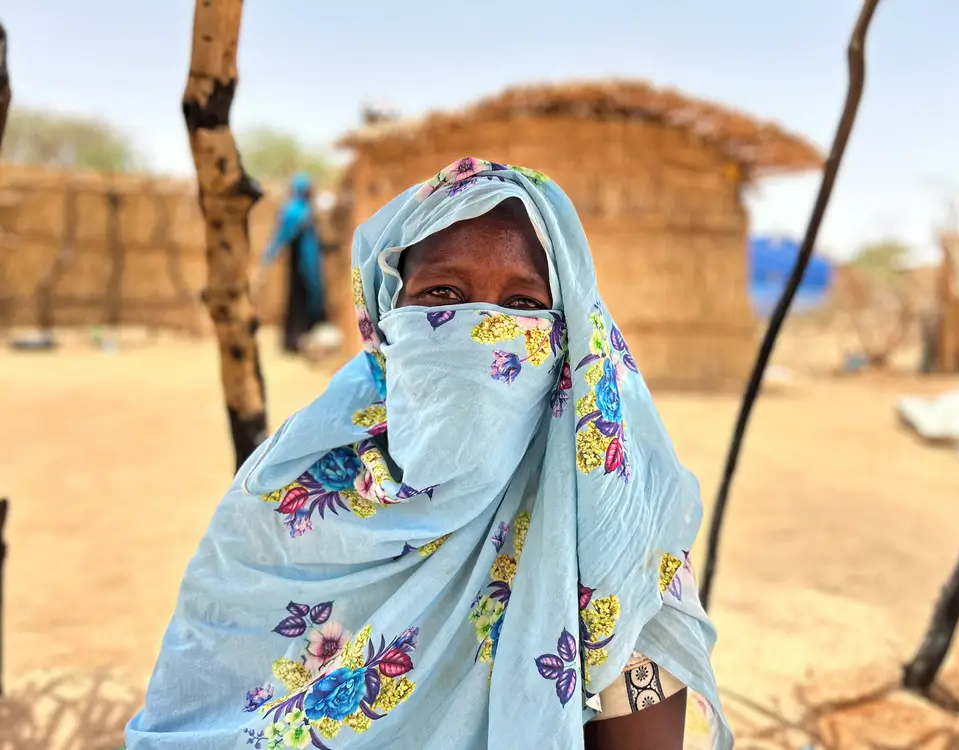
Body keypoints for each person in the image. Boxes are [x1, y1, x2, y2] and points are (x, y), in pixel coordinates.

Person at [126, 158, 731, 750]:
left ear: (569, 331)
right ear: (384, 317)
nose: (481, 328)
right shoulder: (286, 495)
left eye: (522, 304)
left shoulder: (616, 529)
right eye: (442, 293)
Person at [259, 172, 327, 354]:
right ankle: (293, 341)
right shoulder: (294, 211)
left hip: (308, 263)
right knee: (297, 301)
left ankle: (301, 340)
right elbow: (281, 236)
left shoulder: (305, 209)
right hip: (299, 264)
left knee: (303, 300)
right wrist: (268, 257)